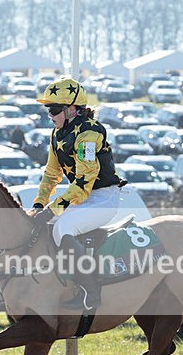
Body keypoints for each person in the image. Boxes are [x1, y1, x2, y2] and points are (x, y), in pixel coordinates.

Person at [30, 77, 125, 310]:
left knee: (64, 227)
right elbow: (52, 174)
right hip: (84, 197)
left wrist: (54, 208)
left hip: (103, 198)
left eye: (54, 109)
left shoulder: (89, 133)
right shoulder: (57, 134)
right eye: (47, 110)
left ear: (72, 109)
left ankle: (91, 293)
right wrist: (40, 205)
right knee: (44, 225)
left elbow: (83, 182)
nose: (50, 115)